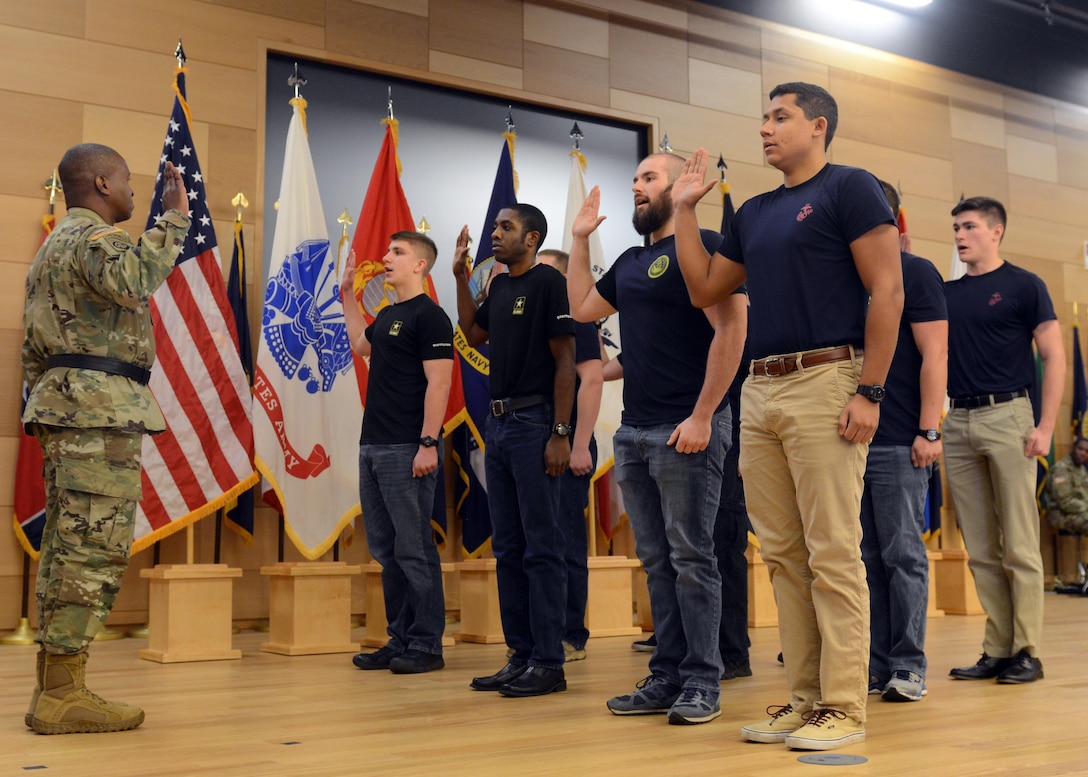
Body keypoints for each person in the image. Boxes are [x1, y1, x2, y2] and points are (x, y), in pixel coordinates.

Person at [670, 82, 904, 750]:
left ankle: (844, 707)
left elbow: (887, 290)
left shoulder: (850, 187)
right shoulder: (754, 210)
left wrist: (871, 391)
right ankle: (804, 701)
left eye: (780, 117)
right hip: (761, 389)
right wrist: (685, 211)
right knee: (781, 552)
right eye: (763, 118)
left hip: (829, 378)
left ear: (818, 125)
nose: (766, 128)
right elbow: (704, 290)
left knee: (832, 549)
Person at [568, 153, 747, 725]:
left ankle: (702, 680)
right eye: (635, 181)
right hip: (636, 431)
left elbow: (732, 329)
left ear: (680, 186)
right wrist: (578, 242)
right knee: (656, 559)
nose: (637, 188)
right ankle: (667, 673)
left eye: (648, 178)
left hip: (688, 426)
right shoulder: (629, 260)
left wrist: (702, 415)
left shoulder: (708, 245)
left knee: (694, 556)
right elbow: (580, 308)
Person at [22, 143, 191, 734]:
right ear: (100, 183)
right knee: (93, 547)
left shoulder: (53, 246)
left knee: (68, 545)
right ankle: (63, 693)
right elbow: (135, 278)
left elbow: (31, 349)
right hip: (97, 413)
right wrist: (174, 217)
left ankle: (56, 687)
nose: (134, 191)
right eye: (126, 181)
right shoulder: (96, 239)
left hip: (72, 408)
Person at [454, 204, 576, 697]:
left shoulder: (547, 282)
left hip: (534, 421)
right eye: (496, 227)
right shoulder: (499, 286)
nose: (495, 234)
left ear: (532, 238)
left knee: (541, 547)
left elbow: (566, 359)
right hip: (498, 425)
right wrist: (462, 279)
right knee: (507, 547)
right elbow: (472, 333)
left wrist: (561, 431)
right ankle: (520, 655)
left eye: (507, 228)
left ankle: (549, 662)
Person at [944, 196, 1063, 685]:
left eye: (969, 226)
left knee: (1018, 543)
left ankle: (1028, 651)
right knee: (980, 547)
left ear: (996, 231)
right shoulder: (946, 294)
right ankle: (997, 648)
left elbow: (1054, 356)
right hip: (957, 423)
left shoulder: (1024, 285)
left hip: (1009, 416)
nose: (959, 235)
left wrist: (1047, 427)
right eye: (955, 227)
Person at [341, 232, 453, 675]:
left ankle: (426, 645)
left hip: (409, 446)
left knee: (413, 548)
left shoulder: (431, 317)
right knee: (387, 550)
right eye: (388, 251)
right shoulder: (388, 314)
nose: (385, 258)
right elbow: (360, 345)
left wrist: (428, 442)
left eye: (397, 252)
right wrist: (348, 295)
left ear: (420, 265)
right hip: (373, 445)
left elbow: (440, 383)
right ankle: (400, 638)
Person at [860, 181, 948, 703]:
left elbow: (934, 356)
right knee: (865, 558)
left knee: (901, 555)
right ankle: (874, 663)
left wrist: (929, 429)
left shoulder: (915, 273)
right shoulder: (847, 273)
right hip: (851, 440)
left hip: (900, 441)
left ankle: (908, 665)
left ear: (891, 219)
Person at [537, 249, 603, 662]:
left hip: (569, 439)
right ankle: (540, 632)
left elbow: (592, 380)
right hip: (535, 437)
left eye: (546, 270)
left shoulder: (578, 315)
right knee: (540, 540)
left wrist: (580, 444)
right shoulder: (532, 319)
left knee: (566, 540)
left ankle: (571, 633)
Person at [1047, 438, 1088, 537]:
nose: (1083, 453)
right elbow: (1064, 502)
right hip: (1062, 515)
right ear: (1073, 448)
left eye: (1087, 451)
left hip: (1080, 513)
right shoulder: (1061, 469)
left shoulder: (1081, 470)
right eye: (1080, 449)